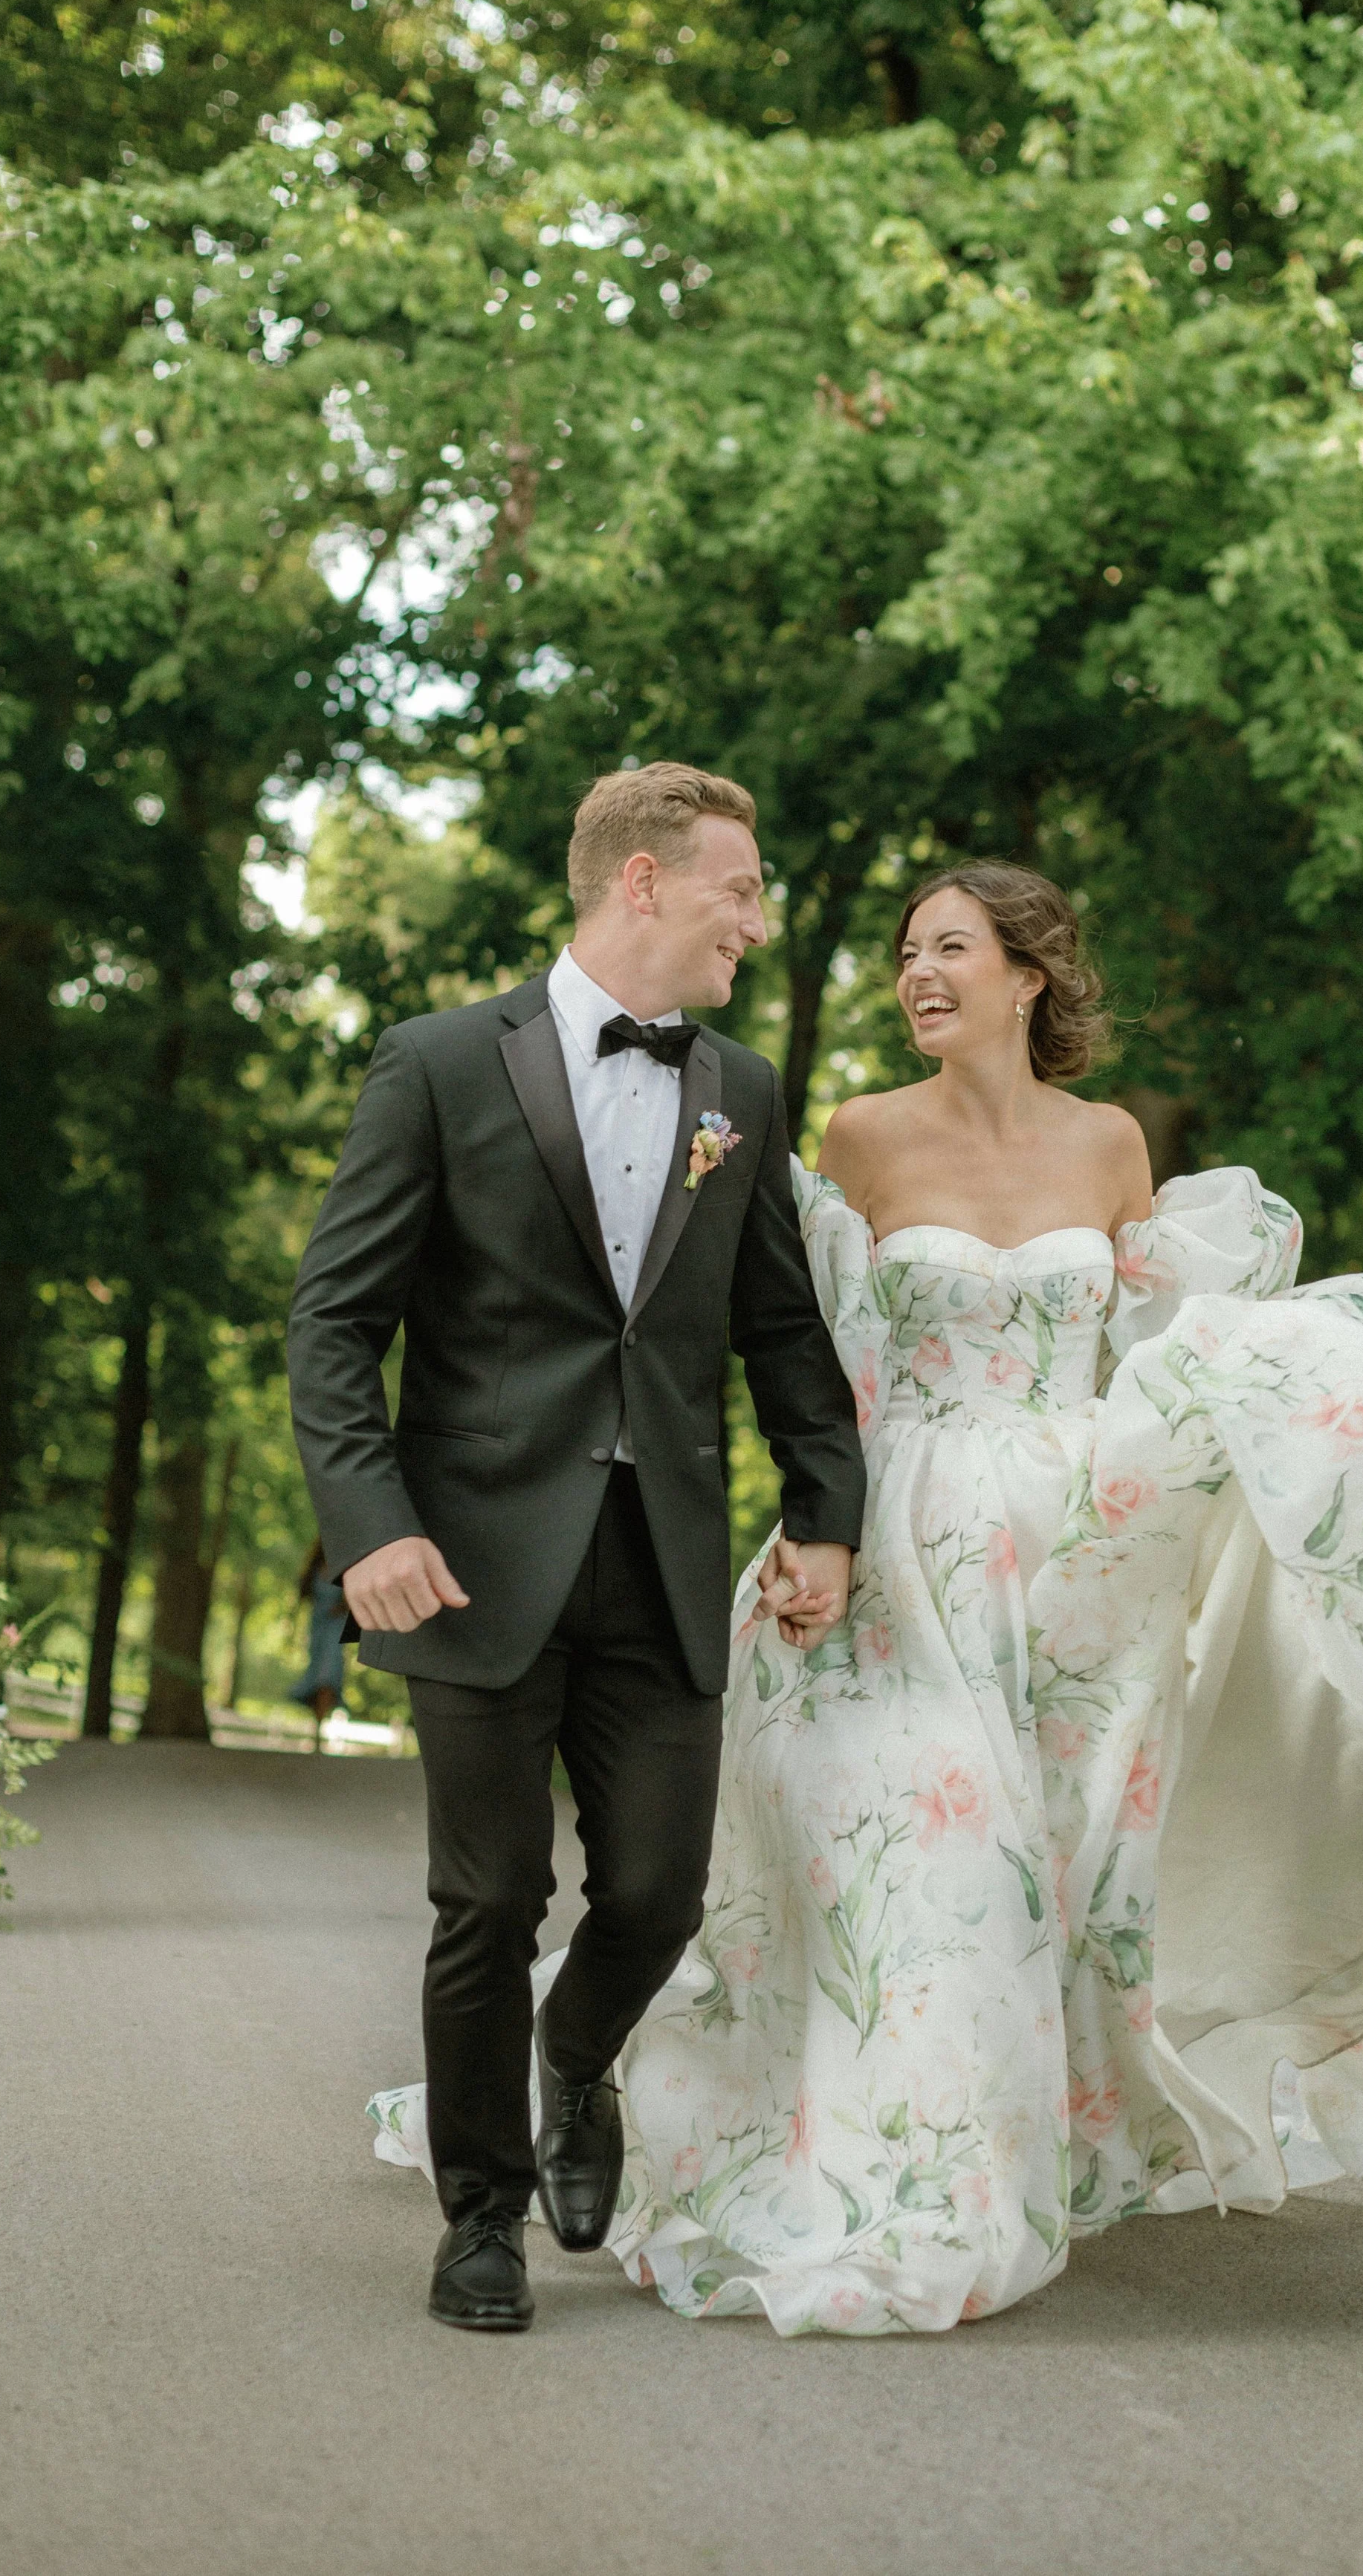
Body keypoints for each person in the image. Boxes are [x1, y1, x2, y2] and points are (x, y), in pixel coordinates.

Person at [368, 857, 1363, 2338]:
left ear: (1027, 974)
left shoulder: (1110, 1146)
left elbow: (1171, 1346)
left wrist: (1332, 1361)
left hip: (1078, 1556)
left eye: (948, 948)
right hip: (895, 1539)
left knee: (1066, 1876)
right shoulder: (851, 1132)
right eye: (907, 951)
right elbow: (803, 1335)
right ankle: (902, 2182)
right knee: (921, 1860)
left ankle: (1010, 2136)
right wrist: (806, 1517)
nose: (917, 973)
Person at [290, 761, 866, 2332]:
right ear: (641, 882)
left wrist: (826, 1515)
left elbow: (777, 1328)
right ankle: (477, 2216)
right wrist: (371, 1532)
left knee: (659, 1893)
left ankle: (573, 2058)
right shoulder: (434, 1065)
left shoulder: (737, 1093)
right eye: (736, 890)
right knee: (485, 1899)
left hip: (666, 1559)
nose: (754, 920)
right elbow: (335, 1324)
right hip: (467, 1559)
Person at [288, 1537, 346, 1737]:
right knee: (316, 1674)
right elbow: (304, 1594)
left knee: (328, 1675)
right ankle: (317, 1726)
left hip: (336, 1628)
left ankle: (321, 1725)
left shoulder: (344, 1568)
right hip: (317, 1628)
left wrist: (339, 1608)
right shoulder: (314, 1569)